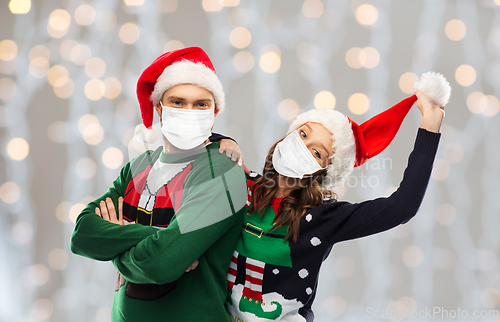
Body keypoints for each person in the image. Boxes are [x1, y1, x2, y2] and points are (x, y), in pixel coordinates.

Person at [224, 72, 450, 321]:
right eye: (303, 134)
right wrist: (225, 141)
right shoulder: (242, 186)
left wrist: (430, 125)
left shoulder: (323, 216)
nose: (302, 146)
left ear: (323, 172)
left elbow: (402, 207)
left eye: (317, 153)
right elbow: (194, 155)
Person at [70, 47, 248, 322]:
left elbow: (161, 264)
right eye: (178, 102)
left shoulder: (222, 171)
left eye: (201, 104)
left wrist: (116, 242)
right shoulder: (138, 167)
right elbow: (82, 234)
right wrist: (153, 238)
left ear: (215, 113)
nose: (190, 111)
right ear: (159, 108)